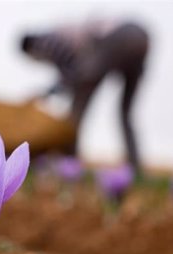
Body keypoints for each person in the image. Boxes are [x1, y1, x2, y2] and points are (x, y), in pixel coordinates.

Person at [21, 19, 150, 175]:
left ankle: (71, 166)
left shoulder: (45, 42)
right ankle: (136, 168)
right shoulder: (62, 31)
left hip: (116, 38)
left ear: (31, 50)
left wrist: (48, 93)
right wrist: (54, 90)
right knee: (125, 112)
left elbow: (74, 71)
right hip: (140, 37)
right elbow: (71, 74)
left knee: (76, 114)